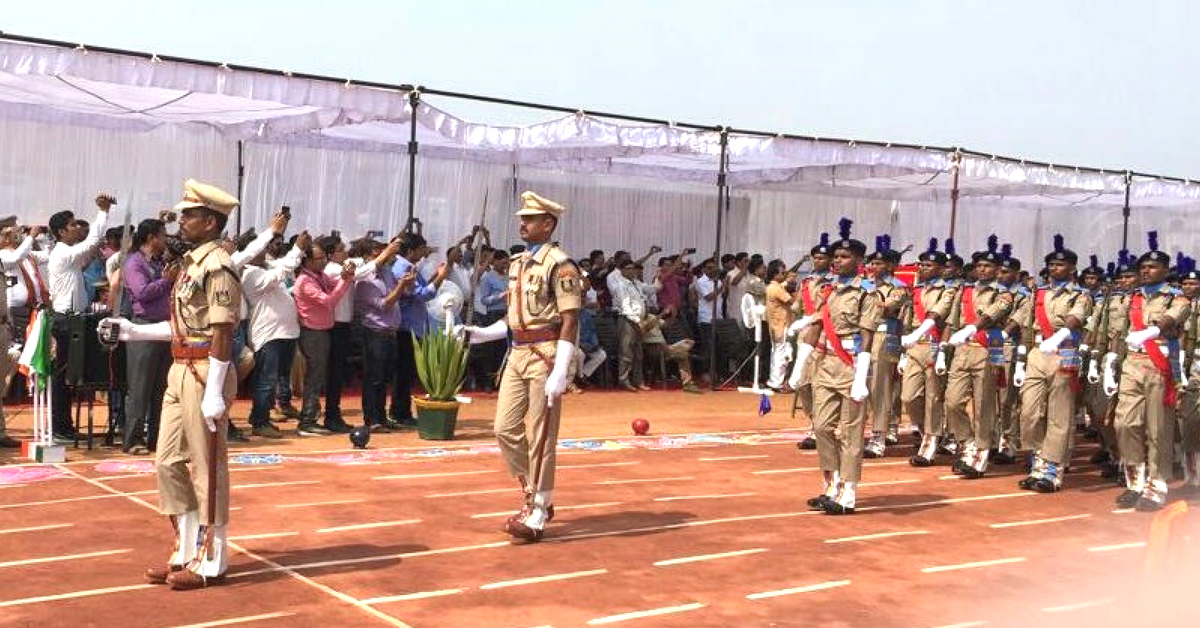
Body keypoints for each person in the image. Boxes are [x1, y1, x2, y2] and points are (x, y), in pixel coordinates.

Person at [101, 179, 242, 589]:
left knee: (206, 467)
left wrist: (216, 390)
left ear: (211, 222)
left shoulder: (218, 266)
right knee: (167, 461)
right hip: (181, 368)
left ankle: (211, 560)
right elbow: (181, 326)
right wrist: (131, 331)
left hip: (205, 371)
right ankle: (184, 550)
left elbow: (222, 331)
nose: (182, 220)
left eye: (191, 214)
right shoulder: (189, 266)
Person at [458, 191, 581, 542]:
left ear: (548, 224)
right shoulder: (518, 263)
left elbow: (570, 319)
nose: (522, 224)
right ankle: (534, 490)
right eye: (521, 218)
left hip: (546, 353)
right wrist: (483, 333)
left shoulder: (561, 264)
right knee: (504, 428)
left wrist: (561, 368)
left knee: (541, 435)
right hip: (517, 353)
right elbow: (514, 318)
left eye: (529, 219)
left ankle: (538, 510)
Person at [790, 219, 877, 515]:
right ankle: (832, 482)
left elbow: (866, 336)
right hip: (825, 365)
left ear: (859, 261)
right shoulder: (826, 290)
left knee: (851, 432)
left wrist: (861, 377)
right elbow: (816, 326)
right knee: (822, 426)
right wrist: (800, 366)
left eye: (844, 257)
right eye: (836, 257)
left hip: (851, 365)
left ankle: (848, 492)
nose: (837, 262)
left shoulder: (867, 292)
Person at [1106, 232, 1191, 511]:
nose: (1145, 271)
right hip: (1132, 363)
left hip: (1159, 365)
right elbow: (1119, 333)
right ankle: (1135, 481)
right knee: (1125, 423)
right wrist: (1111, 363)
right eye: (1142, 267)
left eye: (1152, 267)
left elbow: (1175, 316)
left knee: (1158, 429)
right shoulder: (1132, 299)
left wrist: (1154, 329)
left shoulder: (1176, 297)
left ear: (1165, 271)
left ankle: (1156, 486)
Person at [1013, 236, 1091, 493]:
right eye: (1052, 265)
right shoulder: (1038, 292)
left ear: (1071, 269)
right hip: (1038, 351)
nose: (1054, 269)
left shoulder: (1081, 295)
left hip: (1064, 352)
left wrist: (1058, 336)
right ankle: (1038, 461)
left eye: (1060, 265)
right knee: (1029, 412)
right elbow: (1025, 321)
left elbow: (1075, 318)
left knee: (1059, 415)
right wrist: (1022, 355)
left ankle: (1050, 471)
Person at [942, 236, 1015, 479]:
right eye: (979, 266)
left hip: (987, 349)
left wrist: (971, 329)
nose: (982, 270)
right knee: (952, 402)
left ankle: (981, 453)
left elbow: (993, 314)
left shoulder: (1004, 294)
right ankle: (968, 442)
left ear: (996, 270)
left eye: (988, 266)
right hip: (962, 350)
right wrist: (944, 349)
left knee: (984, 405)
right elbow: (952, 322)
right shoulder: (964, 292)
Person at [48, 194, 113, 441]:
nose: (78, 228)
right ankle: (60, 428)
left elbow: (89, 249)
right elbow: (92, 241)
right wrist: (103, 212)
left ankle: (64, 426)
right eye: (73, 225)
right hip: (66, 321)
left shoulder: (66, 253)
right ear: (61, 232)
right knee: (63, 375)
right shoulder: (64, 252)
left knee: (70, 375)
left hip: (72, 319)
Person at [242, 230, 309, 439]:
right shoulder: (248, 273)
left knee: (277, 378)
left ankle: (261, 417)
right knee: (266, 380)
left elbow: (283, 265)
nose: (264, 251)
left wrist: (297, 251)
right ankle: (260, 421)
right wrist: (297, 248)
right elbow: (280, 272)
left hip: (285, 332)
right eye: (260, 248)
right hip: (268, 334)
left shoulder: (267, 266)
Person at [121, 219, 179, 454]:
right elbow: (142, 293)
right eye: (163, 235)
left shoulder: (157, 262)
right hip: (143, 329)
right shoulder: (134, 263)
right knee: (140, 387)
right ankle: (133, 439)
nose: (166, 240)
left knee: (161, 388)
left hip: (164, 328)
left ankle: (158, 438)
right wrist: (167, 280)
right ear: (151, 237)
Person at [902, 239, 958, 466]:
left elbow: (939, 317)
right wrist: (905, 352)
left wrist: (943, 352)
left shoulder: (948, 291)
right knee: (909, 396)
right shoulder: (916, 290)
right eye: (921, 265)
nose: (923, 269)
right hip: (915, 347)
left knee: (934, 398)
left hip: (935, 345)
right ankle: (930, 429)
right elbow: (908, 321)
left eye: (928, 266)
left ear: (941, 269)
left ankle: (930, 443)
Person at [294, 240, 356, 435]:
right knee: (314, 377)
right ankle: (307, 421)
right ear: (307, 261)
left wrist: (344, 277)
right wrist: (345, 281)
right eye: (319, 258)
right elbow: (328, 301)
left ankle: (311, 417)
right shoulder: (305, 281)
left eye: (324, 257)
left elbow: (334, 284)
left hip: (322, 331)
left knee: (319, 376)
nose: (323, 262)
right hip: (313, 333)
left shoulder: (318, 276)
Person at [391, 232, 449, 428]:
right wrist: (440, 278)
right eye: (422, 248)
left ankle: (401, 411)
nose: (425, 252)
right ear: (411, 250)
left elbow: (423, 287)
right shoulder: (403, 267)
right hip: (406, 326)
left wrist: (436, 276)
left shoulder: (408, 266)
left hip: (412, 325)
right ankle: (400, 412)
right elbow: (422, 295)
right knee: (403, 372)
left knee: (405, 372)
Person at [356, 239, 414, 431]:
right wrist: (400, 287)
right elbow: (384, 304)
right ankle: (372, 419)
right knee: (374, 377)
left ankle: (381, 417)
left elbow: (402, 292)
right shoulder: (365, 279)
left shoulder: (387, 272)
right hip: (375, 333)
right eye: (382, 252)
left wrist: (407, 284)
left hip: (390, 332)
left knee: (385, 377)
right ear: (372, 254)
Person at [863, 235, 909, 458]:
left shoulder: (899, 287)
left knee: (881, 387)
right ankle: (882, 425)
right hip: (863, 337)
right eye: (872, 263)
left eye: (878, 263)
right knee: (865, 384)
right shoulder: (864, 284)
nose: (873, 267)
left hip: (885, 337)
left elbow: (886, 308)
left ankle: (879, 434)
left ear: (890, 266)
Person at [788, 233, 835, 450]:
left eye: (822, 258)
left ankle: (820, 428)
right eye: (815, 258)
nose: (818, 261)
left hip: (825, 335)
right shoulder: (806, 282)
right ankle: (815, 420)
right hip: (804, 334)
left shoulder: (833, 283)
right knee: (803, 383)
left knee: (819, 382)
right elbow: (796, 307)